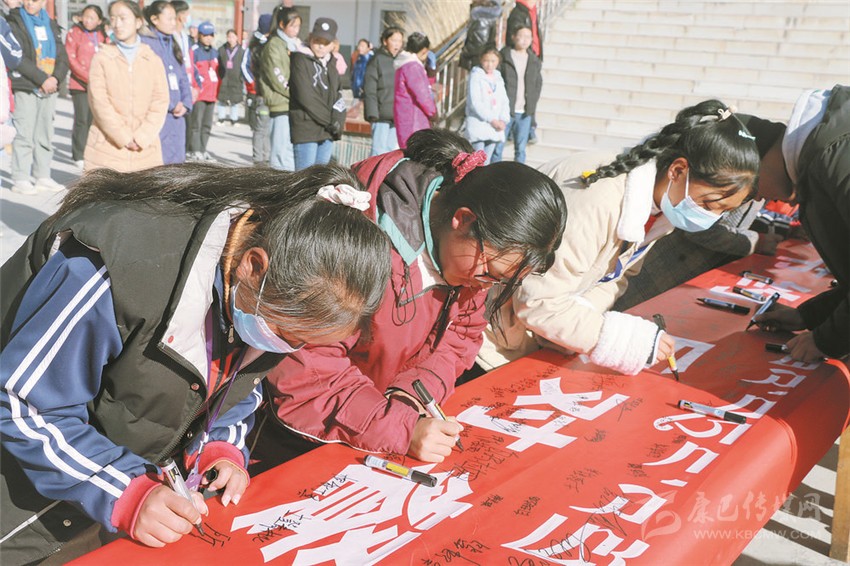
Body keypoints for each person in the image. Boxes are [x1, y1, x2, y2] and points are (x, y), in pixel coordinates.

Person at [0, 162, 392, 563]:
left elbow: (234, 388)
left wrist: (221, 446)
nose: (289, 349)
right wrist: (123, 491)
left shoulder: (262, 295)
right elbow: (24, 405)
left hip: (97, 508)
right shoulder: (120, 267)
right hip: (19, 505)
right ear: (253, 265)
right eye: (287, 334)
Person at [248, 128, 567, 471]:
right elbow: (307, 368)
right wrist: (399, 427)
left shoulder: (474, 260)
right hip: (280, 439)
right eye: (490, 274)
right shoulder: (353, 240)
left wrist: (411, 396)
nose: (486, 286)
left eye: (500, 280)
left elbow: (460, 337)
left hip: (363, 426)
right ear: (462, 219)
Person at [477, 100, 761, 375]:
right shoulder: (598, 199)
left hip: (526, 333)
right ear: (678, 170)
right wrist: (621, 340)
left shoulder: (662, 205)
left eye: (724, 211)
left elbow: (616, 277)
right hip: (485, 333)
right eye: (709, 204)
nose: (712, 217)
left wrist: (580, 321)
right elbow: (539, 301)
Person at [752, 85, 850, 362]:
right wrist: (808, 316)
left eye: (750, 186)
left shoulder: (835, 153)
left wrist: (825, 340)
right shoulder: (825, 154)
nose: (757, 197)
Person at [84, 0, 168, 173]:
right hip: (107, 148)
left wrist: (142, 136)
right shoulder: (102, 58)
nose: (117, 24)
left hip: (145, 150)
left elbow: (160, 101)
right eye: (113, 18)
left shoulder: (152, 60)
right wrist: (123, 136)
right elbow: (99, 102)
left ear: (138, 22)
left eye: (123, 18)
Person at [6, 0, 69, 194]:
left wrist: (55, 78)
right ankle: (21, 178)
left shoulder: (50, 23)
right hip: (26, 84)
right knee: (24, 132)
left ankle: (42, 175)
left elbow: (62, 55)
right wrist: (42, 79)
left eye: (35, 0)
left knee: (45, 133)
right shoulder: (14, 21)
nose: (29, 3)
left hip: (49, 87)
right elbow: (17, 56)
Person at [288, 17, 345, 170]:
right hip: (306, 128)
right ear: (310, 38)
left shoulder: (332, 63)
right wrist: (329, 121)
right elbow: (305, 96)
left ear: (333, 44)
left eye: (326, 43)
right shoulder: (300, 59)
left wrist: (338, 121)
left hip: (327, 131)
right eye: (317, 40)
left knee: (321, 179)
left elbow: (338, 94)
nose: (321, 46)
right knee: (305, 177)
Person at [142, 0, 193, 165]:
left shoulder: (173, 41)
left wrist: (186, 102)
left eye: (174, 18)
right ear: (154, 19)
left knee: (176, 162)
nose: (173, 23)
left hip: (178, 115)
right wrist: (170, 103)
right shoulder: (145, 43)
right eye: (169, 18)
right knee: (157, 162)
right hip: (157, 113)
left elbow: (183, 76)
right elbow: (147, 82)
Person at [492, 25, 542, 164]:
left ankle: (518, 176)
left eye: (528, 37)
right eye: (521, 36)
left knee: (520, 150)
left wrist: (531, 103)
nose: (525, 40)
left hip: (525, 112)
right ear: (513, 37)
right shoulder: (504, 56)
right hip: (505, 111)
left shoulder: (534, 60)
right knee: (498, 148)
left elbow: (538, 83)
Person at [65, 4, 106, 170]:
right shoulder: (74, 32)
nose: (88, 21)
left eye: (92, 18)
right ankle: (78, 153)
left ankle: (92, 151)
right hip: (80, 84)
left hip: (99, 85)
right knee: (82, 119)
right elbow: (71, 58)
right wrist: (88, 77)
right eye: (86, 17)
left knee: (94, 120)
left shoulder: (103, 35)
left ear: (99, 21)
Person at [260, 6, 302, 171]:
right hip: (281, 103)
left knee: (288, 150)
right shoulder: (274, 45)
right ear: (282, 24)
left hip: (291, 103)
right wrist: (297, 93)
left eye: (298, 26)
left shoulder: (293, 45)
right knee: (281, 152)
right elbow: (277, 77)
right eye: (293, 26)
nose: (296, 30)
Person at [464, 47, 510, 163]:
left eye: (493, 61)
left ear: (498, 61)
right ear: (481, 60)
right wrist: (492, 119)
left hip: (495, 127)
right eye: (486, 61)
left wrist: (503, 120)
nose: (489, 65)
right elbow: (475, 102)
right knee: (478, 161)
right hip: (479, 124)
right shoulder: (476, 75)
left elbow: (504, 100)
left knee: (487, 161)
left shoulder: (498, 77)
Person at [363, 26, 403, 156]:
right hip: (380, 115)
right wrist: (372, 114)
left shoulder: (401, 61)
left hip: (396, 115)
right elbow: (369, 89)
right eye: (394, 40)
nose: (397, 44)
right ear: (385, 41)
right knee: (378, 152)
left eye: (400, 41)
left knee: (391, 152)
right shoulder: (377, 60)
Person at [393, 32, 436, 149]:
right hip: (414, 121)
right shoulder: (413, 66)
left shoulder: (403, 64)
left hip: (405, 118)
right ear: (424, 50)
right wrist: (433, 113)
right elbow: (422, 95)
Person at [242, 13, 272, 165]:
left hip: (271, 93)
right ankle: (258, 159)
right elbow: (244, 66)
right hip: (259, 93)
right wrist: (254, 84)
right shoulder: (254, 45)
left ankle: (266, 157)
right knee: (260, 128)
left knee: (268, 128)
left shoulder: (272, 42)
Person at [187, 21, 218, 162]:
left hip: (212, 94)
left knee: (207, 125)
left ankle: (203, 149)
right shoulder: (194, 51)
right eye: (205, 35)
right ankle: (194, 150)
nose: (208, 38)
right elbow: (191, 71)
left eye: (211, 35)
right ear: (199, 35)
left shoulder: (215, 52)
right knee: (196, 124)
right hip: (199, 95)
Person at [459, 0, 501, 71]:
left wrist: (465, 53)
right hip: (482, 59)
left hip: (479, 62)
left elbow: (478, 44)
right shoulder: (490, 17)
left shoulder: (480, 17)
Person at [216, 28, 244, 126]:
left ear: (236, 38)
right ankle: (221, 118)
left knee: (235, 100)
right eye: (229, 37)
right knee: (222, 99)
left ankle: (234, 119)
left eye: (233, 37)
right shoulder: (222, 49)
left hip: (236, 78)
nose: (231, 39)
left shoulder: (241, 51)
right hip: (224, 78)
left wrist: (241, 77)